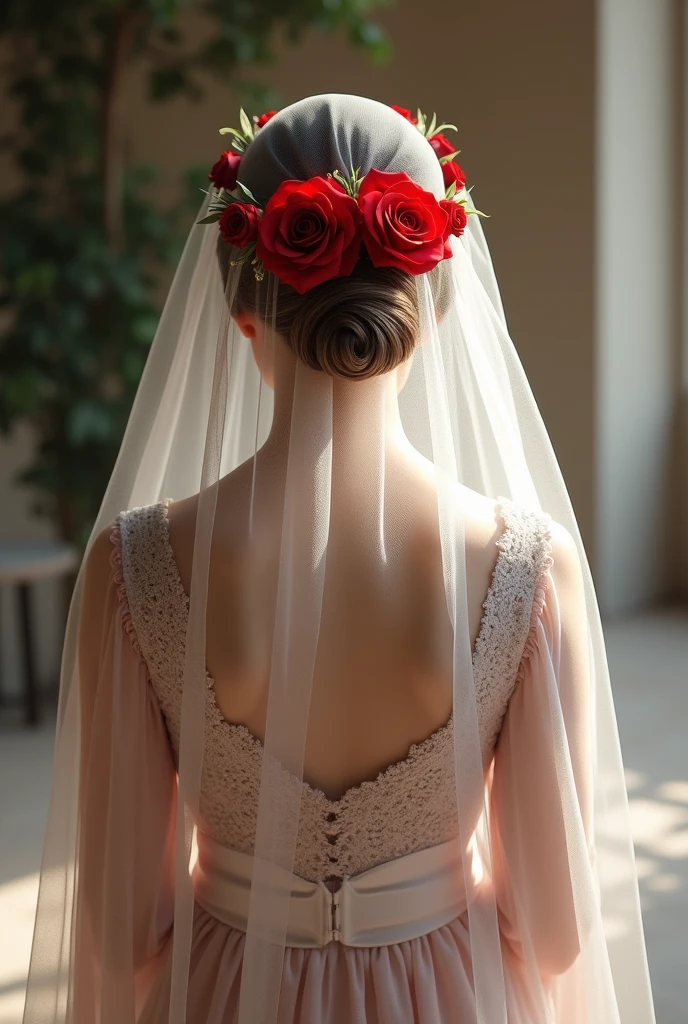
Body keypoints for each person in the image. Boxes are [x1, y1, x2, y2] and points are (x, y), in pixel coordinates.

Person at [23, 93, 656, 1024]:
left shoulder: (135, 570)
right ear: (434, 311)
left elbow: (121, 932)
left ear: (240, 314)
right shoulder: (529, 573)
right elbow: (555, 933)